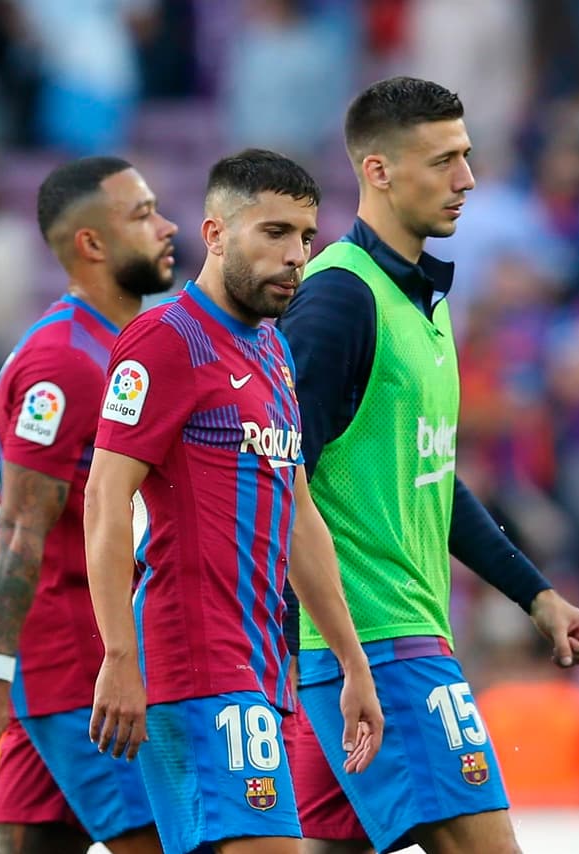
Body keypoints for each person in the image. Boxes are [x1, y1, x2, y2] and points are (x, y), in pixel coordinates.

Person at [275, 76, 579, 854]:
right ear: (379, 171)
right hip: (378, 646)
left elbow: (429, 478)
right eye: (443, 160)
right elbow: (278, 483)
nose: (468, 179)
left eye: (467, 155)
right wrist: (337, 649)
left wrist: (535, 594)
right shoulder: (338, 302)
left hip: (366, 649)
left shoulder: (422, 299)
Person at [84, 148, 384, 854]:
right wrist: (118, 654)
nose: (296, 256)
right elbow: (103, 497)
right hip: (193, 665)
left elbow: (298, 520)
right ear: (215, 234)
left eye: (305, 237)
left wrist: (352, 662)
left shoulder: (273, 351)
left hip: (258, 666)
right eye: (274, 233)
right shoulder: (164, 341)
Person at [0, 156, 178, 854]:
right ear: (92, 243)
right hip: (80, 666)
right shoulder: (64, 363)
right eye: (143, 215)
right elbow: (21, 527)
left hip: (71, 661)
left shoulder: (120, 347)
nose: (167, 227)